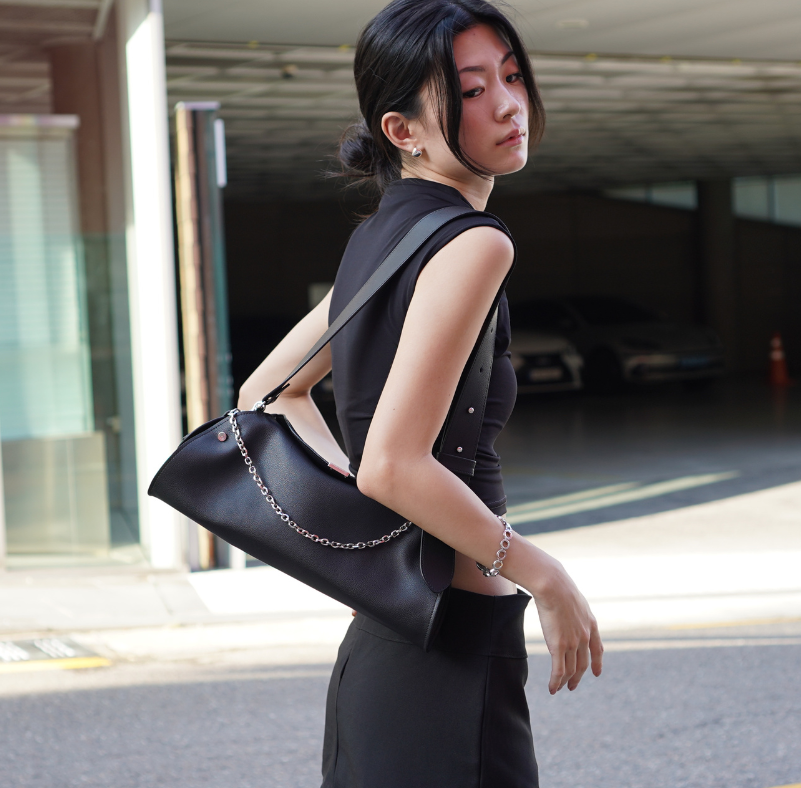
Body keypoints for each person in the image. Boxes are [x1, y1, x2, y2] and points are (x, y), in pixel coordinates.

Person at [237, 1, 603, 785]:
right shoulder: (474, 243)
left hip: (387, 643)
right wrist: (544, 575)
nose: (509, 104)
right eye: (471, 90)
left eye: (511, 76)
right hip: (448, 657)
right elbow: (391, 465)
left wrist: (371, 539)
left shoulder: (380, 235)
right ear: (402, 130)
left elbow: (268, 393)